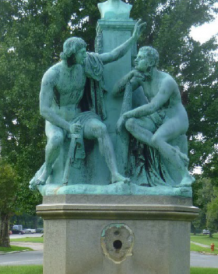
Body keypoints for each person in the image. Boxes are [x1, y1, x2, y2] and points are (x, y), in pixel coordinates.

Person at [29, 20, 146, 188]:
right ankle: (46, 171)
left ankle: (114, 174)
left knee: (101, 129)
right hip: (57, 120)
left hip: (80, 117)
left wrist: (133, 39)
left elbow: (113, 55)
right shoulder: (52, 75)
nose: (85, 54)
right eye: (82, 52)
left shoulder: (86, 63)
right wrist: (66, 126)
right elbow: (45, 110)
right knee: (56, 139)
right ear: (72, 53)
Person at [113, 46, 194, 188]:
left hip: (175, 118)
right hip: (157, 118)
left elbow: (152, 107)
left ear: (150, 62)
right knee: (130, 124)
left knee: (157, 138)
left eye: (140, 57)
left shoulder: (166, 81)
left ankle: (186, 175)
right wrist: (130, 75)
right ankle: (170, 149)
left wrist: (126, 114)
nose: (136, 60)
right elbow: (115, 91)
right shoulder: (142, 78)